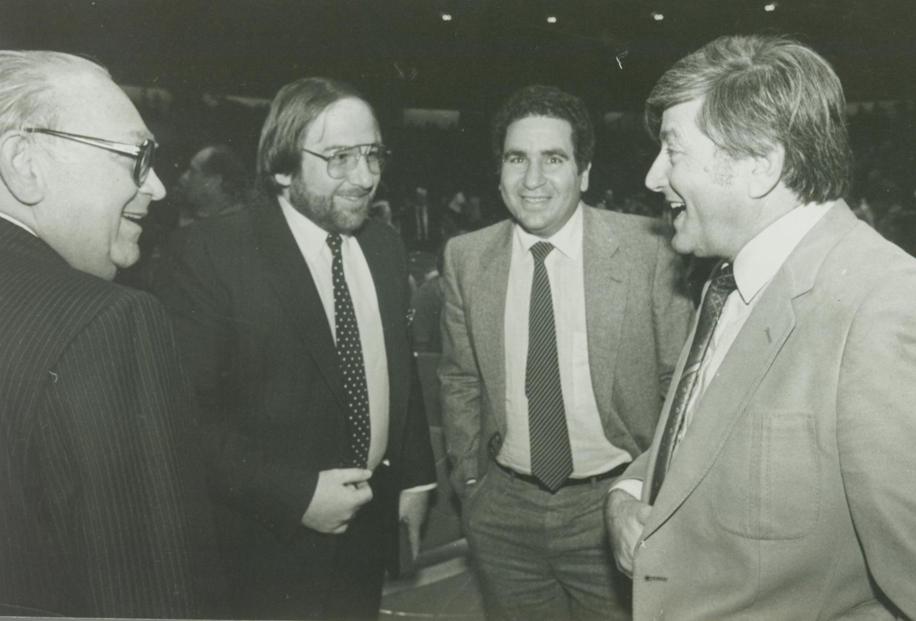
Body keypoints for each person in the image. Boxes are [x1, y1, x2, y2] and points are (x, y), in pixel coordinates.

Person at [605, 34, 916, 620]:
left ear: (759, 167)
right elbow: (707, 438)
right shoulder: (729, 279)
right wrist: (626, 494)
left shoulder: (882, 306)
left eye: (672, 151)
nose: (652, 177)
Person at [155, 77, 436, 620]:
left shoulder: (384, 245)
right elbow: (181, 419)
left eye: (373, 155)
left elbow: (399, 372)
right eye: (339, 157)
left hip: (367, 532)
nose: (365, 178)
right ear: (283, 168)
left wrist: (415, 478)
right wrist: (296, 496)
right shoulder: (210, 253)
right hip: (263, 546)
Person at [439, 85, 694, 621]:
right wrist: (471, 483)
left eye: (553, 159)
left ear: (584, 173)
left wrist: (653, 494)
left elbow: (681, 385)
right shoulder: (466, 257)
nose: (532, 180)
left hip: (614, 504)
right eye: (517, 159)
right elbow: (460, 377)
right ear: (499, 171)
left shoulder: (649, 249)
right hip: (503, 511)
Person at [0, 50, 225, 618]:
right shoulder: (108, 322)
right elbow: (149, 592)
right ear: (24, 162)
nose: (159, 188)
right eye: (136, 157)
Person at [175, 144, 248, 226]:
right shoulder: (184, 217)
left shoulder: (236, 222)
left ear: (215, 181)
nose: (184, 177)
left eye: (193, 172)